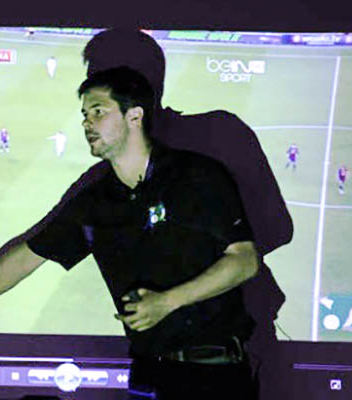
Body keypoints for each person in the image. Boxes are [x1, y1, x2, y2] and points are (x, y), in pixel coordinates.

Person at [0, 67, 260, 399]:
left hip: (216, 376)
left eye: (98, 111)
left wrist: (167, 302)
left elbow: (244, 260)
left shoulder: (196, 176)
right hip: (148, 374)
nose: (87, 123)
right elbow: (24, 257)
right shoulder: (95, 203)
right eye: (84, 114)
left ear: (134, 116)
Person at [82, 28, 292, 400]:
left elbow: (274, 231)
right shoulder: (223, 131)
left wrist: (187, 282)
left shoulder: (110, 177)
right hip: (213, 352)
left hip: (232, 354)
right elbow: (277, 229)